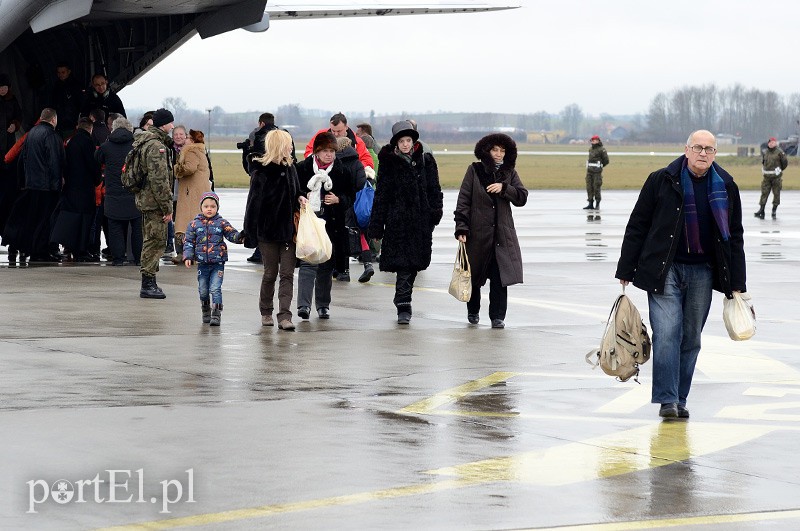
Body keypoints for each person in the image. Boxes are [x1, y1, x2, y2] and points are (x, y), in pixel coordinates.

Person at [615, 130, 746, 419]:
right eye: (698, 147)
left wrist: (737, 283)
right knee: (666, 333)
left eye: (709, 149)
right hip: (665, 269)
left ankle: (680, 397)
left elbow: (734, 236)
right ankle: (667, 400)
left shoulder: (726, 185)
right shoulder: (660, 180)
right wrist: (626, 267)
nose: (703, 153)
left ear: (715, 153)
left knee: (691, 339)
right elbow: (637, 224)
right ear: (686, 150)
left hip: (704, 271)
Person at [367, 120, 443, 324]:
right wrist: (377, 225)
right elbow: (381, 195)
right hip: (397, 222)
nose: (406, 144)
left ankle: (403, 297)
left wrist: (435, 213)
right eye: (402, 141)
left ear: (414, 141)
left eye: (408, 140)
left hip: (420, 222)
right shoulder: (389, 163)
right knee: (403, 265)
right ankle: (403, 305)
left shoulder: (426, 161)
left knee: (415, 265)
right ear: (396, 143)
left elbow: (435, 189)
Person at [454, 133, 528, 329]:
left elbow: (522, 197)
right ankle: (473, 311)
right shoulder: (474, 170)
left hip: (502, 235)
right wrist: (461, 227)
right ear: (486, 150)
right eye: (495, 149)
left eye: (502, 150)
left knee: (499, 277)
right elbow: (463, 200)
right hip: (477, 234)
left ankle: (497, 316)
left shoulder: (510, 172)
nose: (498, 154)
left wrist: (505, 188)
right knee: (475, 276)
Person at [243, 129, 307, 330]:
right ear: (280, 145)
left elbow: (297, 190)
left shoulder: (291, 168)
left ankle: (285, 316)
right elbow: (252, 205)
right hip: (268, 233)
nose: (291, 147)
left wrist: (301, 196)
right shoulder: (261, 172)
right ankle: (266, 311)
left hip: (288, 232)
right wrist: (249, 233)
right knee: (270, 273)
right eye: (288, 143)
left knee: (287, 274)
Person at [294, 132, 362, 320]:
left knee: (326, 265)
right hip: (309, 223)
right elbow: (294, 190)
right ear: (317, 151)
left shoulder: (342, 170)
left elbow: (351, 196)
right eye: (325, 151)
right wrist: (300, 197)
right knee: (308, 263)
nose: (329, 154)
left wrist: (339, 199)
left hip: (332, 224)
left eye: (332, 151)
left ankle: (323, 305)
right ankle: (304, 305)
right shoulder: (303, 168)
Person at [3, 108, 65, 262]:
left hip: (32, 185)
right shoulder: (51, 135)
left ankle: (31, 250)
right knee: (45, 221)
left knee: (33, 219)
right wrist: (57, 185)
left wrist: (24, 182)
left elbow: (22, 160)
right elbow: (54, 162)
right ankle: (40, 252)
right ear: (53, 119)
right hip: (46, 187)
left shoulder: (30, 134)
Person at [183, 191, 245, 326]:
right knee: (203, 289)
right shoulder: (194, 224)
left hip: (218, 262)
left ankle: (216, 313)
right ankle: (205, 309)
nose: (209, 209)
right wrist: (188, 256)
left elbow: (232, 234)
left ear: (217, 208)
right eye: (206, 206)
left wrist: (242, 236)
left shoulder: (221, 223)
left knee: (215, 288)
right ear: (201, 207)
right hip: (202, 263)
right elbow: (188, 241)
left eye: (213, 206)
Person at [133, 108, 174, 299]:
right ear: (163, 124)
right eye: (170, 123)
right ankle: (147, 283)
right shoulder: (156, 147)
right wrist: (167, 207)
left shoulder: (146, 142)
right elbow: (160, 180)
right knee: (155, 241)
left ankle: (150, 281)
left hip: (147, 200)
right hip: (155, 202)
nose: (172, 127)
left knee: (152, 240)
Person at [50, 118, 102, 261]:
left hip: (71, 187)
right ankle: (81, 251)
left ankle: (72, 247)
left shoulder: (70, 141)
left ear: (77, 126)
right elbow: (93, 165)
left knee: (72, 219)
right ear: (90, 129)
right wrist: (98, 179)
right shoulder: (88, 142)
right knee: (85, 221)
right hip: (84, 188)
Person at [96, 116, 141, 266]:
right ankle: (138, 258)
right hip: (133, 193)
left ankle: (118, 259)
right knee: (137, 228)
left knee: (115, 227)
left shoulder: (106, 146)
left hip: (113, 194)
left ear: (113, 129)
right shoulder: (136, 146)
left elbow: (97, 159)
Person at [173, 128, 212, 265]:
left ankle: (185, 253)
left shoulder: (191, 151)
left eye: (188, 137)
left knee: (184, 223)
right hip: (198, 192)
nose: (185, 139)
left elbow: (189, 168)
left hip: (190, 193)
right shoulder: (201, 150)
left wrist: (176, 169)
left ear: (193, 140)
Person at [304, 112, 374, 170]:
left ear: (346, 127)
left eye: (339, 131)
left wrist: (354, 168)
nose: (336, 134)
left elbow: (368, 161)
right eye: (333, 131)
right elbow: (308, 152)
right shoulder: (321, 135)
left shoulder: (357, 142)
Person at [0, 73, 23, 249]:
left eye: (4, 87)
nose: (2, 90)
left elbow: (18, 116)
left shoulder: (12, 101)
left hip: (8, 145)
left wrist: (15, 124)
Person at [754, 137, 788, 219]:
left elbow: (785, 163)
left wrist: (779, 170)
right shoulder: (766, 152)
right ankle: (761, 210)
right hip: (766, 178)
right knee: (764, 193)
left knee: (776, 194)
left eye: (773, 142)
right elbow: (763, 162)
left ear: (775, 143)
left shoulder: (780, 152)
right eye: (770, 142)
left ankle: (774, 210)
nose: (771, 144)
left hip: (776, 178)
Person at [49, 63, 83, 138]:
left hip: (72, 123)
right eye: (59, 73)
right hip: (59, 123)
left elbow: (81, 104)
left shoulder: (76, 86)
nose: (61, 75)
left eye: (63, 72)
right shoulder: (56, 86)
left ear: (69, 71)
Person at [584, 134, 609, 210]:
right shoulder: (590, 149)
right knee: (589, 187)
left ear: (598, 141)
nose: (593, 141)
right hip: (589, 171)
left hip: (597, 172)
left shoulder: (602, 150)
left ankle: (597, 204)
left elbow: (606, 160)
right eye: (592, 140)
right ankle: (590, 203)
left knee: (596, 187)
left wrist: (600, 166)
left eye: (595, 140)